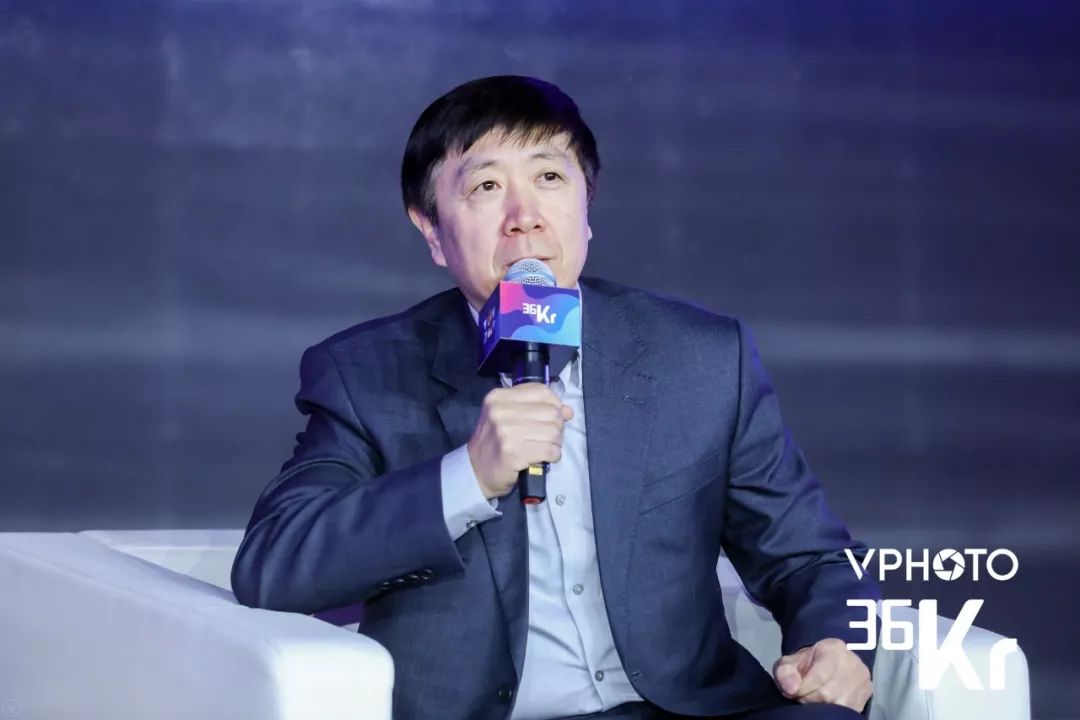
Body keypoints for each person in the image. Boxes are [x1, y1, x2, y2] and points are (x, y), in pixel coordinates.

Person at [231, 75, 881, 720]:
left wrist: (836, 645)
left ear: (586, 206)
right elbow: (274, 564)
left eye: (549, 177)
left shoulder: (701, 357)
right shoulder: (367, 374)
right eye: (487, 187)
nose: (525, 216)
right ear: (430, 229)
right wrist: (467, 476)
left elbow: (812, 557)